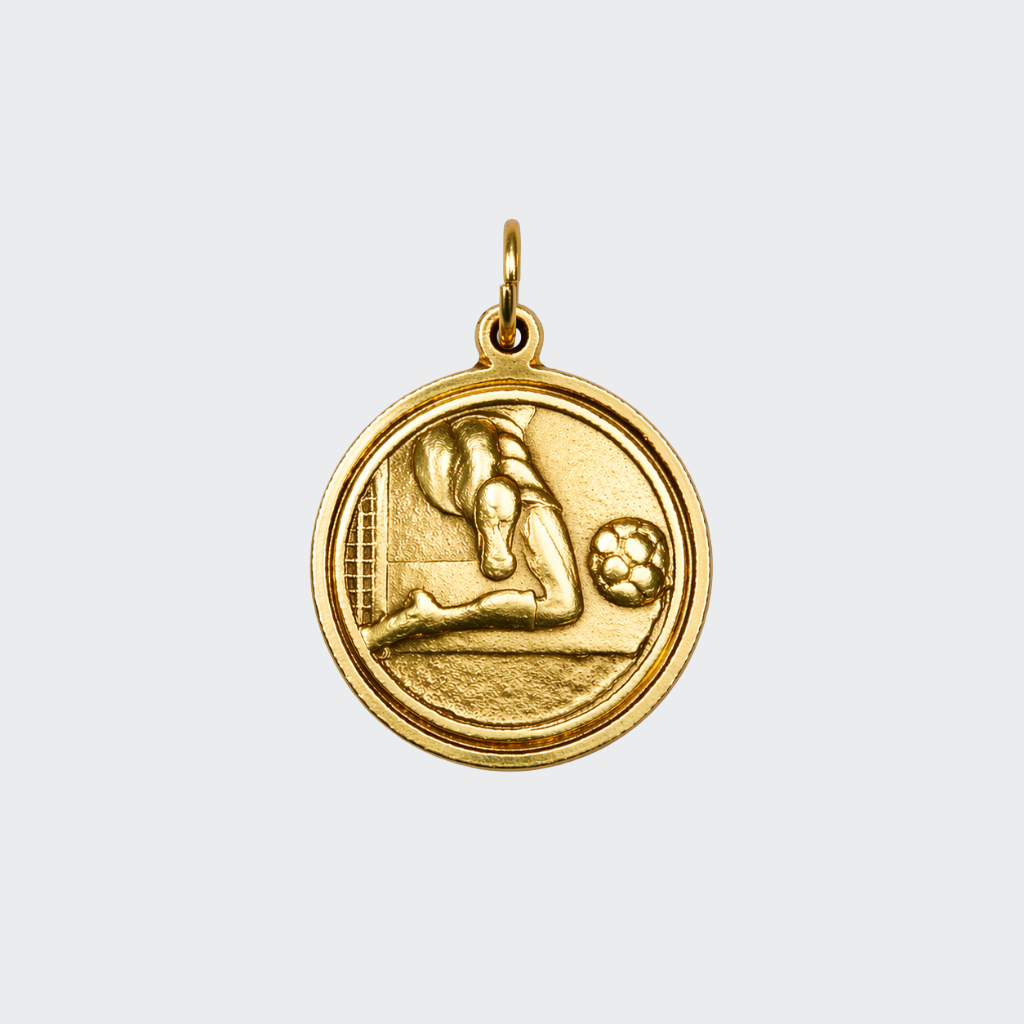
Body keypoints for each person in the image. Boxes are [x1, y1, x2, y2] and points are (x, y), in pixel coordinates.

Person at [361, 412, 582, 650]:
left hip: (454, 436)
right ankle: (436, 617)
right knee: (564, 606)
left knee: (488, 456)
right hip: (485, 442)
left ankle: (484, 497)